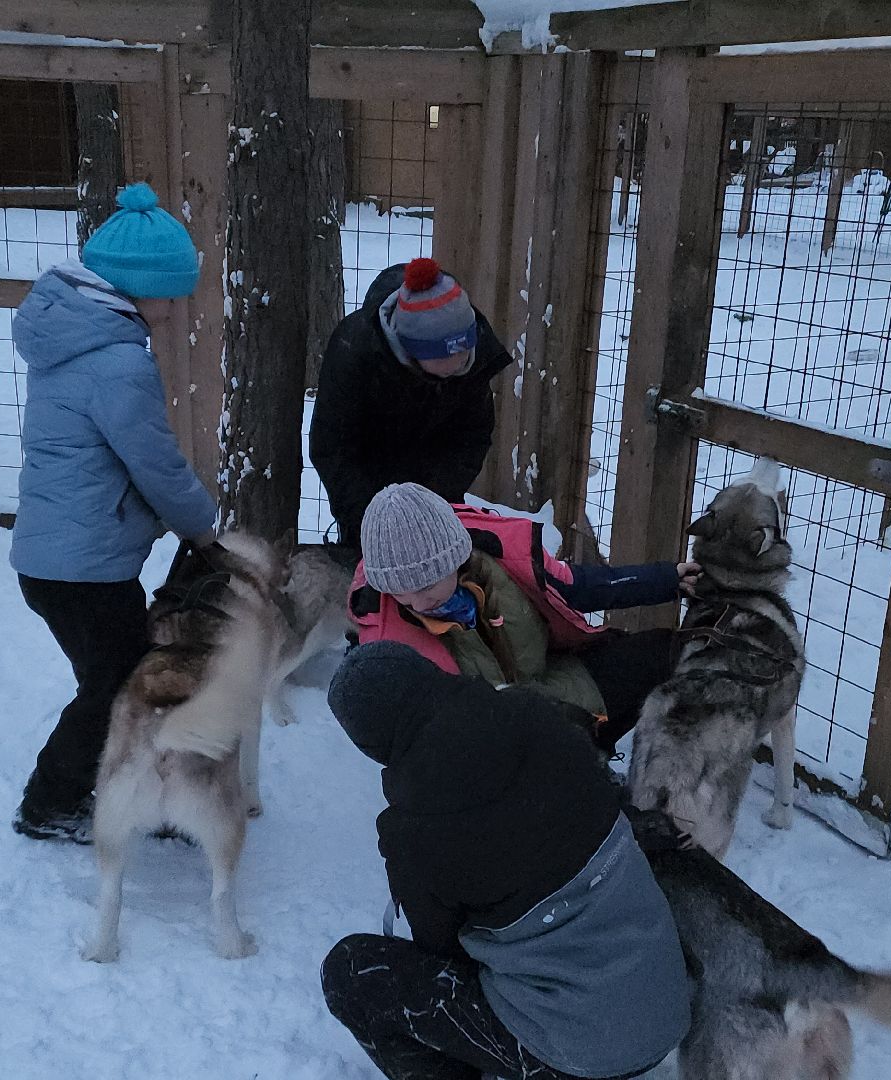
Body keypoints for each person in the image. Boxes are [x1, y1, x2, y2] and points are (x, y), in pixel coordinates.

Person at [320, 641, 692, 1080]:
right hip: (666, 1003)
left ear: (371, 745)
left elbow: (441, 954)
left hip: (577, 1054)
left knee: (351, 973)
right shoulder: (538, 717)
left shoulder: (414, 832)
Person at [7, 182, 220, 843]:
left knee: (114, 682)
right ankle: (50, 804)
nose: (172, 309)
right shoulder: (116, 360)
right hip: (82, 568)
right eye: (169, 294)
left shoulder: (71, 337)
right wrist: (200, 526)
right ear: (139, 286)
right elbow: (152, 461)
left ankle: (137, 788)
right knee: (118, 686)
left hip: (58, 558)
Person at [349, 483, 698, 752]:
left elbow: (580, 587)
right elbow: (413, 743)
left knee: (666, 652)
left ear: (456, 558)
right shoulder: (385, 644)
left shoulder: (504, 560)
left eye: (427, 583)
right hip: (491, 742)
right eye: (399, 589)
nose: (416, 599)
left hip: (556, 682)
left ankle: (593, 749)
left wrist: (666, 579)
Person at [309, 258, 513, 546]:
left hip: (434, 491)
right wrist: (369, 519)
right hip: (367, 489)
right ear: (412, 350)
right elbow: (332, 448)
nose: (461, 364)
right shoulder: (354, 351)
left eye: (465, 351)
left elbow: (472, 437)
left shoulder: (471, 357)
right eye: (446, 357)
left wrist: (435, 501)